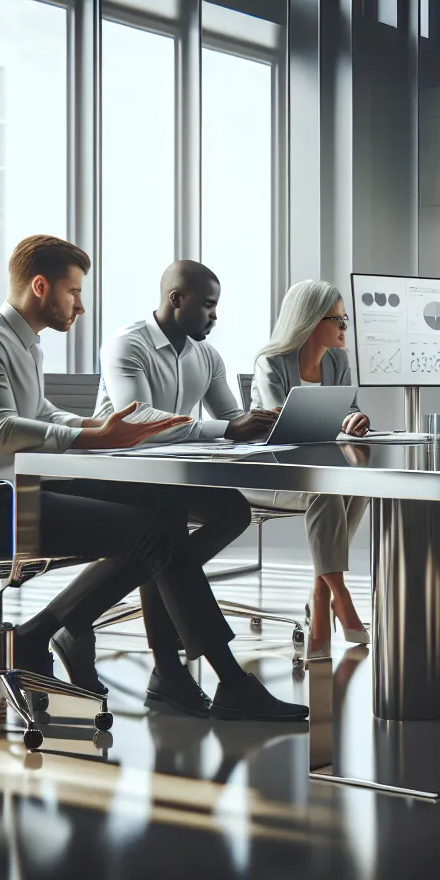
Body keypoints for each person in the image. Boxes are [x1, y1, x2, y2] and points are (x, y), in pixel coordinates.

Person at [0, 234, 306, 722]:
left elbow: (42, 413)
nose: (80, 306)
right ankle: (224, 681)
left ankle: (48, 636)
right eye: (74, 292)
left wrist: (99, 429)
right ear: (40, 286)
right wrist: (94, 437)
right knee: (157, 533)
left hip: (30, 488)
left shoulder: (26, 347)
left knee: (165, 513)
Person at [87, 259, 281, 711]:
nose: (215, 316)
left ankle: (112, 624)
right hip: (113, 474)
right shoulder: (126, 344)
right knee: (168, 530)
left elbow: (230, 420)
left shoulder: (207, 355)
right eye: (209, 306)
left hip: (169, 478)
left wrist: (269, 426)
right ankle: (195, 675)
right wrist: (226, 430)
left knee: (232, 510)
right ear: (177, 300)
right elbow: (137, 420)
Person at [249, 280, 374, 660]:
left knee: (362, 483)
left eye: (344, 318)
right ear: (309, 321)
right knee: (325, 488)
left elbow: (348, 408)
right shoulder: (270, 361)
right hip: (268, 475)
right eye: (335, 319)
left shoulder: (338, 361)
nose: (343, 327)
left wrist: (356, 419)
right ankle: (339, 596)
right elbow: (280, 424)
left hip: (314, 469)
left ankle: (321, 594)